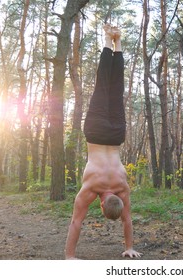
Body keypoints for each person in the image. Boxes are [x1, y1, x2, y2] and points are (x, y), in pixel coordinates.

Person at [65, 24, 141, 259]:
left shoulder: (123, 187)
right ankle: (108, 39)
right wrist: (69, 256)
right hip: (96, 133)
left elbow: (127, 219)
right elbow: (76, 222)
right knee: (102, 86)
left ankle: (117, 42)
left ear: (117, 199)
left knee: (116, 89)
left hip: (117, 135)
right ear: (101, 205)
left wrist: (130, 246)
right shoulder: (92, 188)